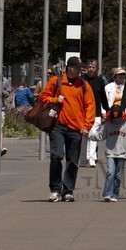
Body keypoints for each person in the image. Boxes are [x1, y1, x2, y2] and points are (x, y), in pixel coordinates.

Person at [37, 56, 96, 201]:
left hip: (76, 128)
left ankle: (68, 190)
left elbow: (90, 106)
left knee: (72, 160)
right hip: (58, 125)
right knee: (56, 156)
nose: (79, 71)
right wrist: (54, 100)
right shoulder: (56, 81)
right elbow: (42, 97)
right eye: (77, 68)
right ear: (69, 67)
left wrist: (86, 126)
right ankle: (55, 189)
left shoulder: (83, 84)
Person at [98, 95, 126, 202]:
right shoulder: (108, 125)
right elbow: (100, 135)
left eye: (118, 117)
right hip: (111, 152)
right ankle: (107, 193)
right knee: (110, 172)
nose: (116, 120)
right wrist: (89, 134)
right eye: (114, 117)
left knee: (119, 175)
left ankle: (115, 194)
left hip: (122, 153)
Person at [83, 58, 109, 166]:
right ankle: (83, 158)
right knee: (84, 135)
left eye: (93, 67)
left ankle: (92, 158)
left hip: (96, 113)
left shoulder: (99, 81)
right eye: (89, 67)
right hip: (83, 112)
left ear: (97, 69)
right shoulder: (82, 79)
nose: (91, 69)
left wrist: (107, 110)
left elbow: (103, 97)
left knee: (93, 135)